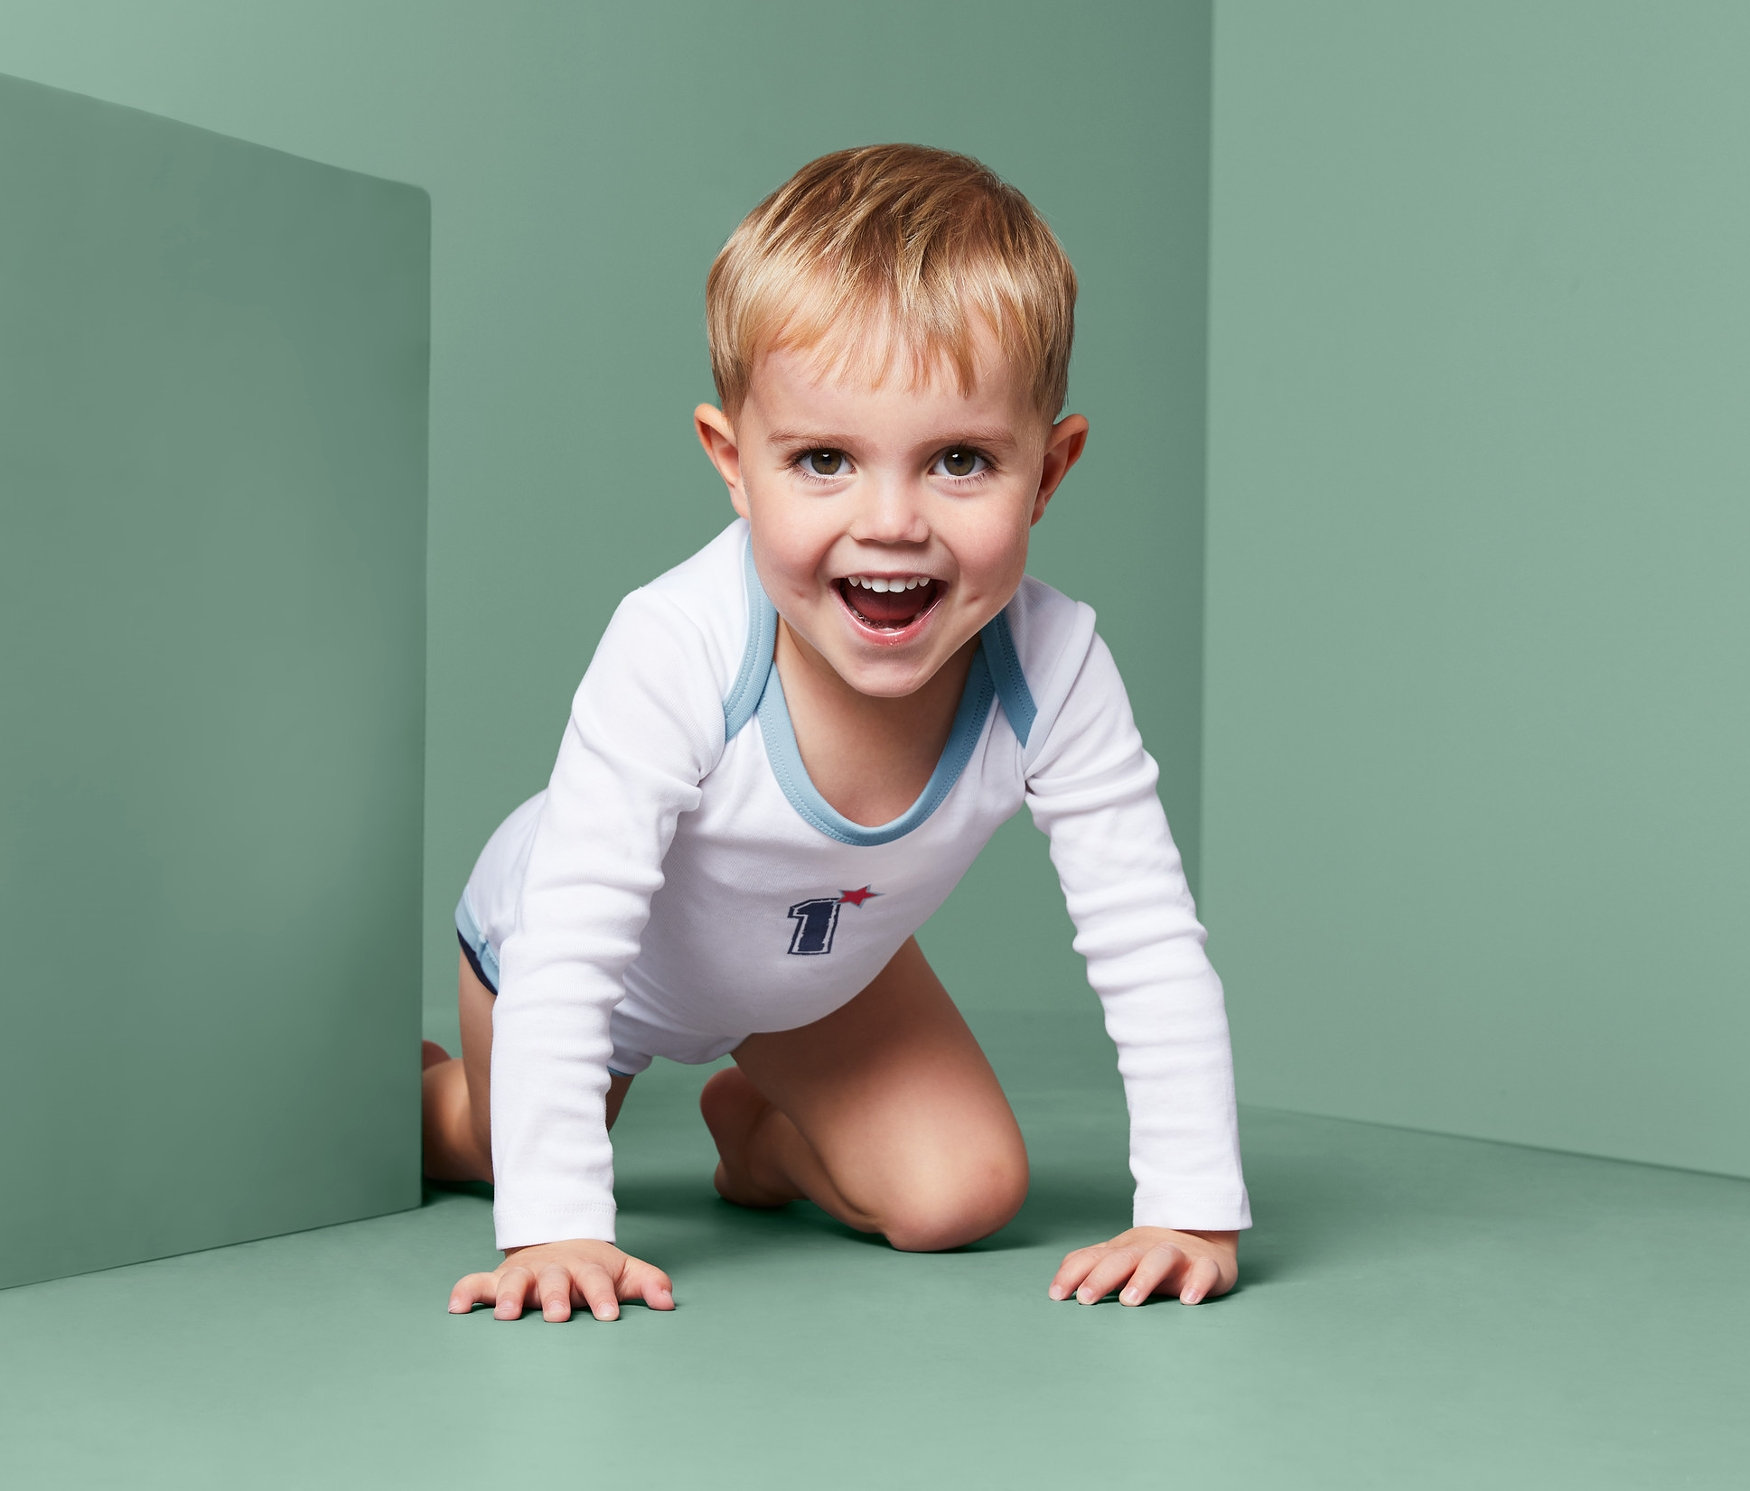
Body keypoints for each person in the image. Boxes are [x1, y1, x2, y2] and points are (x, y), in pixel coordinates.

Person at [421, 143, 1250, 1324]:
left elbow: (1147, 935)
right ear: (734, 465)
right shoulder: (679, 645)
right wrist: (556, 1230)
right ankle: (411, 1103)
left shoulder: (1055, 665)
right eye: (823, 460)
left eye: (960, 460)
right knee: (492, 1147)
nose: (893, 522)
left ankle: (756, 1141)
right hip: (575, 959)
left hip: (811, 971)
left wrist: (1189, 1207)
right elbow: (574, 945)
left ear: (1049, 470)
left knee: (961, 1194)